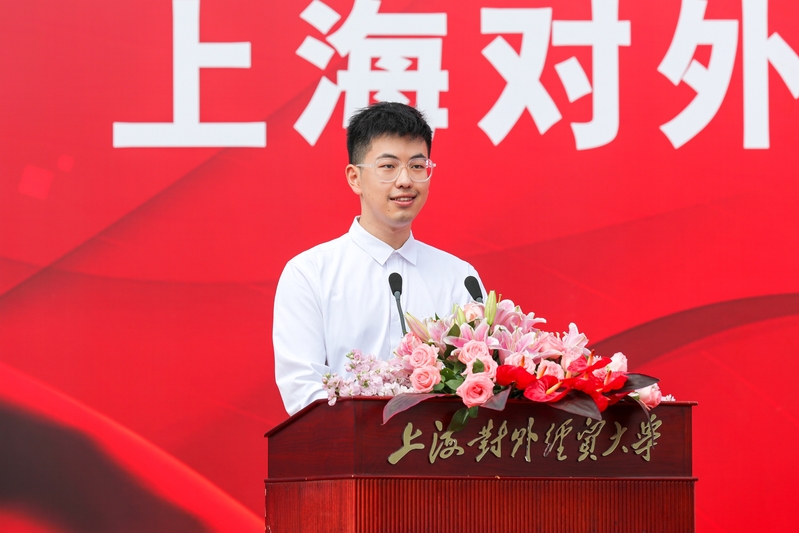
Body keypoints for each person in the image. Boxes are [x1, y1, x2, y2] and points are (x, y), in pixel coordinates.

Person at [273, 102, 484, 416]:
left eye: (417, 166)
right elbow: (303, 389)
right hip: (348, 445)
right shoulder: (310, 274)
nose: (405, 180)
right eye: (388, 166)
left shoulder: (460, 278)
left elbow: (479, 378)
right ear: (355, 178)